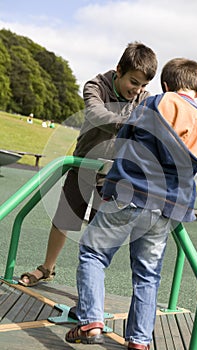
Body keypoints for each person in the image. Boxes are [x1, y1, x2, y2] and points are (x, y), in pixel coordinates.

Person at [64, 58, 197, 349]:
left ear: (164, 85)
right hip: (168, 209)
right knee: (148, 273)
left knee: (93, 254)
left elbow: (125, 141)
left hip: (130, 194)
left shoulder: (155, 104)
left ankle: (90, 320)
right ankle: (139, 340)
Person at [18, 41, 158, 287]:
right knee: (64, 220)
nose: (137, 90)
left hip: (113, 174)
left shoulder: (144, 98)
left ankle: (90, 288)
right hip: (83, 164)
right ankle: (47, 268)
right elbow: (96, 114)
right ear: (119, 71)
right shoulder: (96, 86)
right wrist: (131, 123)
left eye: (143, 85)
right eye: (133, 82)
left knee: (97, 232)